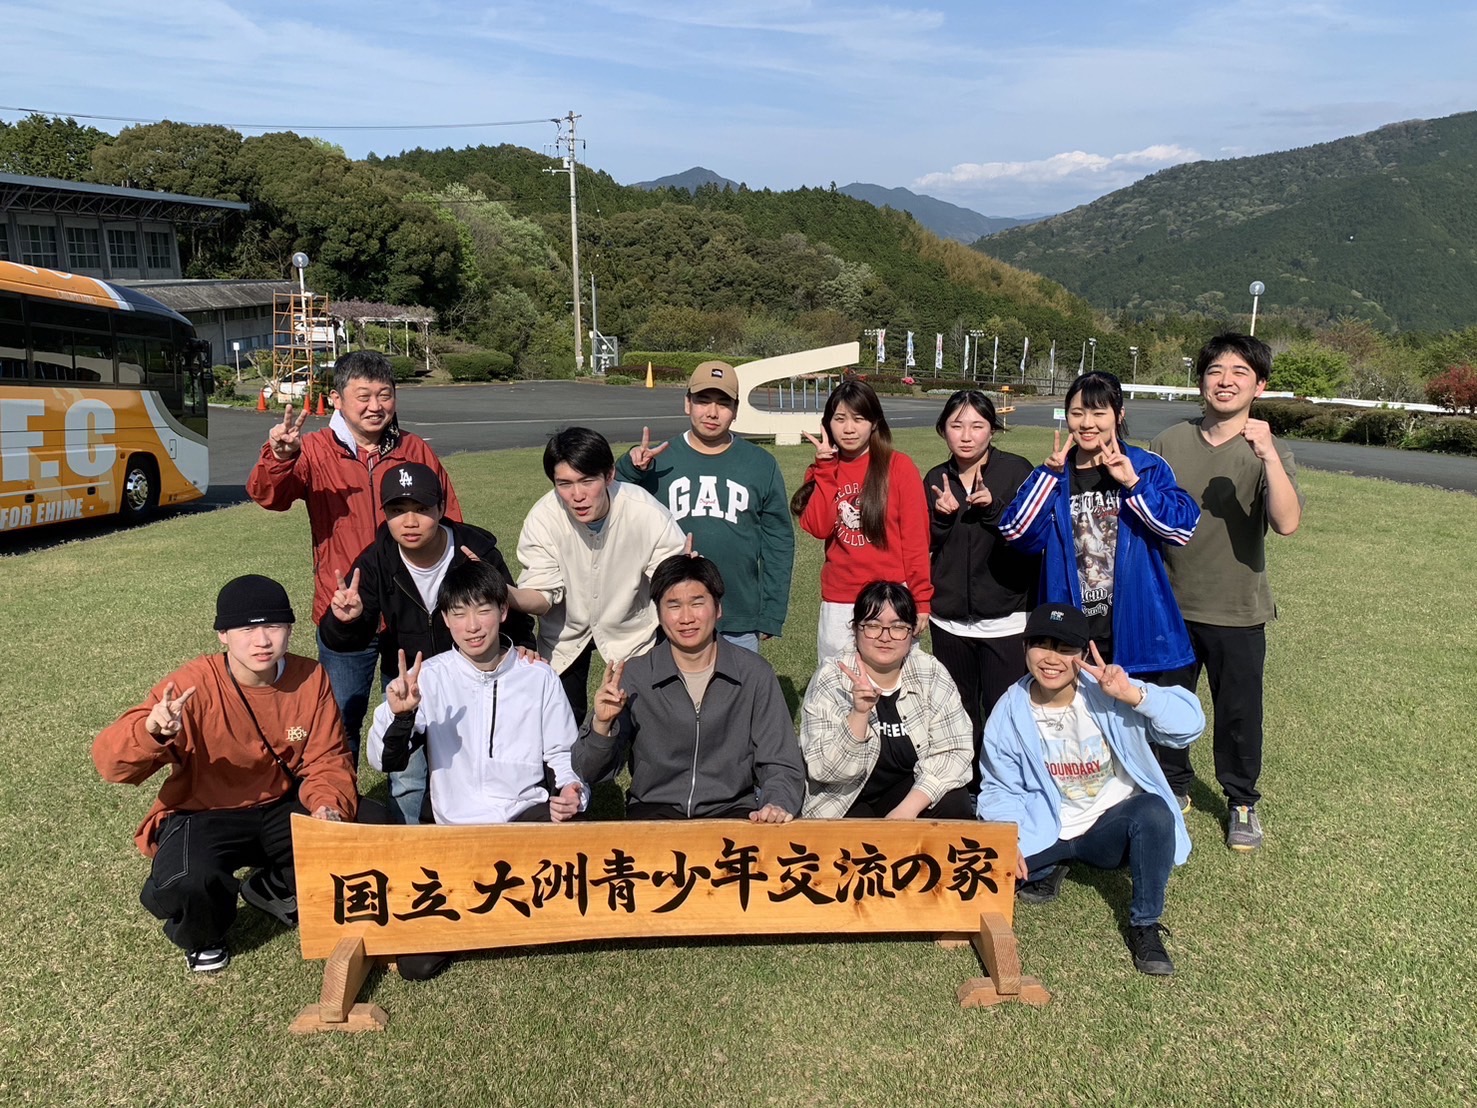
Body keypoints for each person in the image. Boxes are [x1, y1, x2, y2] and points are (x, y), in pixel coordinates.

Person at [91, 575, 358, 973]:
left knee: (366, 827)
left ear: (290, 629)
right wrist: (152, 731)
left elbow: (327, 758)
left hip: (278, 804)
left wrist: (327, 805)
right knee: (188, 878)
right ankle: (204, 935)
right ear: (222, 635)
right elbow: (110, 764)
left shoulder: (310, 677)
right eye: (246, 629)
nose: (262, 640)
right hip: (205, 810)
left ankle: (273, 886)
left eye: (274, 626)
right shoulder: (192, 685)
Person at [366, 561, 586, 979]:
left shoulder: (537, 676)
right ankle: (483, 908)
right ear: (445, 619)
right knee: (417, 963)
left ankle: (496, 910)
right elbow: (383, 760)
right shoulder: (429, 677)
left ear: (503, 611)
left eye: (483, 610)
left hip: (523, 821)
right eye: (459, 613)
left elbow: (563, 756)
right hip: (456, 830)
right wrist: (401, 716)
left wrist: (572, 792)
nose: (472, 626)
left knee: (574, 853)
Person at [246, 350, 462, 773]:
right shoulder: (313, 450)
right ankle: (336, 802)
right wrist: (280, 457)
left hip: (413, 613)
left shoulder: (414, 449)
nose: (375, 406)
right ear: (337, 399)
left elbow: (451, 521)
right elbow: (269, 496)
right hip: (344, 611)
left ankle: (408, 809)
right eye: (363, 396)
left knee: (412, 722)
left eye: (385, 395)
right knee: (338, 724)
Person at [977, 602, 1203, 976]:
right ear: (1025, 647)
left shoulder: (1108, 692)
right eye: (1042, 644)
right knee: (989, 874)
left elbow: (1189, 726)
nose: (1052, 659)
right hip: (1047, 828)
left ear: (1083, 654)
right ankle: (1051, 865)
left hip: (1108, 829)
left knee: (1154, 811)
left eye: (1065, 648)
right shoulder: (1008, 711)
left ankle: (1145, 924)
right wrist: (1009, 839)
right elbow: (1000, 785)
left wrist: (1134, 695)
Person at [1149, 334, 1304, 850]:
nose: (1225, 381)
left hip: (1237, 609)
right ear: (1201, 381)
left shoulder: (1268, 450)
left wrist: (1269, 456)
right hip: (1170, 605)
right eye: (1215, 370)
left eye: (1240, 372)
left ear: (1259, 386)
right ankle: (1172, 785)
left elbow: (1287, 523)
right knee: (1166, 707)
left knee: (1238, 713)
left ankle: (1241, 800)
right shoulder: (1170, 441)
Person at [318, 461, 534, 824]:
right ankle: (411, 846)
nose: (410, 521)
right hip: (409, 676)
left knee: (472, 761)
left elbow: (504, 606)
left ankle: (480, 834)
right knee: (407, 777)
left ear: (441, 507)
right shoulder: (376, 560)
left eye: (421, 509)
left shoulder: (473, 551)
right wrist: (346, 620)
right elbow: (349, 641)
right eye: (397, 511)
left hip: (469, 673)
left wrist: (523, 641)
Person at [571, 554, 804, 821]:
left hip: (732, 813)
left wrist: (777, 803)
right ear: (659, 614)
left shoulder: (754, 674)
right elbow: (588, 771)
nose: (686, 618)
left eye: (697, 603)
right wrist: (602, 726)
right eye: (673, 606)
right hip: (653, 813)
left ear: (718, 608)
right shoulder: (636, 675)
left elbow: (781, 762)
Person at [999, 370, 1199, 676]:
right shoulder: (1051, 475)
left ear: (1119, 415)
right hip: (1069, 628)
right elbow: (1017, 535)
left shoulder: (1146, 466)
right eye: (1077, 413)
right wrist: (1049, 478)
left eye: (1098, 413)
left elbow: (1181, 529)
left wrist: (1133, 484)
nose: (1087, 423)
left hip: (1135, 626)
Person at [615, 360, 794, 651]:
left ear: (736, 410)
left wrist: (772, 611)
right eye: (702, 400)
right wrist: (631, 467)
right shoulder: (658, 459)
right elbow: (609, 498)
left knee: (737, 682)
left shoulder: (761, 464)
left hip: (737, 615)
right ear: (687, 403)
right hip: (670, 614)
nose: (712, 412)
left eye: (723, 403)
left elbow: (778, 542)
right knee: (670, 682)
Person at [516, 427, 686, 720]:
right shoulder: (543, 517)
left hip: (630, 632)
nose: (577, 496)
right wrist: (505, 594)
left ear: (609, 475)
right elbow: (542, 596)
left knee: (638, 720)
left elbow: (671, 579)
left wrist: (685, 573)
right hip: (565, 634)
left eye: (587, 481)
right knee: (561, 723)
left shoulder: (644, 511)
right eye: (564, 484)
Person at [924, 390, 1040, 786]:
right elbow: (926, 545)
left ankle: (1008, 786)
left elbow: (1031, 538)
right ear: (943, 430)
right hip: (949, 621)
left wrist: (993, 509)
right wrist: (941, 519)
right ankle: (967, 786)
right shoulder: (936, 479)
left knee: (1005, 711)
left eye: (977, 425)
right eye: (956, 425)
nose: (966, 435)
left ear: (993, 429)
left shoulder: (1016, 471)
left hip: (1005, 619)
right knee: (958, 713)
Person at [800, 581, 973, 819]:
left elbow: (955, 750)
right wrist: (859, 714)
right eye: (873, 626)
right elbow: (824, 770)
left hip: (905, 795)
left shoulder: (930, 672)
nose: (885, 637)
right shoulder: (832, 677)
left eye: (898, 627)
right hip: (844, 799)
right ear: (855, 629)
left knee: (954, 801)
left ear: (912, 632)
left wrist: (907, 809)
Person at [791, 378, 932, 665]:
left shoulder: (899, 467)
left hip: (891, 597)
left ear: (874, 422)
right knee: (838, 680)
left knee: (891, 681)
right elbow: (819, 527)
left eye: (858, 419)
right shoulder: (822, 469)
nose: (848, 429)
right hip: (840, 599)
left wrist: (921, 599)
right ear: (827, 424)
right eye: (839, 419)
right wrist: (826, 469)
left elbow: (916, 540)